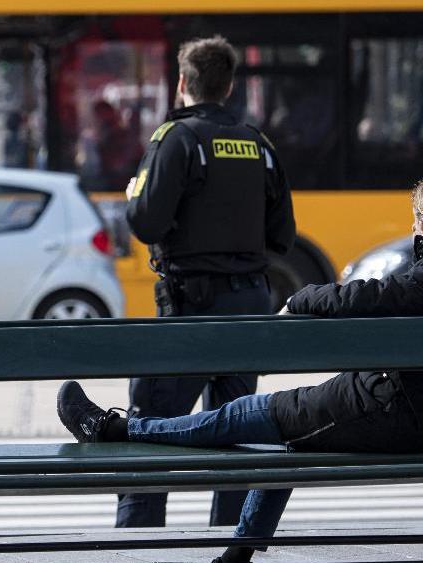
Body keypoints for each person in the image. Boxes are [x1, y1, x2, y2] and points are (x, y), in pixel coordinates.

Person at [57, 172, 423, 563]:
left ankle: (115, 428)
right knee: (282, 440)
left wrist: (305, 296)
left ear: (422, 225)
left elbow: (377, 296)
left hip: (395, 412)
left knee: (242, 415)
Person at [118, 35, 296, 529]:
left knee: (150, 430)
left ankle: (135, 548)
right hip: (248, 310)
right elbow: (282, 237)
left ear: (181, 84)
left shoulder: (174, 139)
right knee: (235, 434)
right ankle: (227, 551)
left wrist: (136, 192)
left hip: (188, 312)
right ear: (230, 85)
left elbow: (146, 223)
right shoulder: (258, 144)